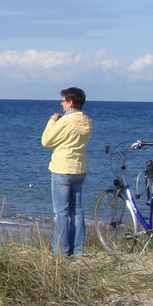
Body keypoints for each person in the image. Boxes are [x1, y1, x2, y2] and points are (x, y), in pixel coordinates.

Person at [41, 87, 92, 257]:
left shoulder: (65, 121)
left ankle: (61, 252)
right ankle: (77, 250)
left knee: (61, 212)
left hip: (62, 168)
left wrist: (52, 122)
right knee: (77, 211)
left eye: (63, 101)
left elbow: (46, 141)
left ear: (70, 102)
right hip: (79, 168)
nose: (61, 104)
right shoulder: (86, 120)